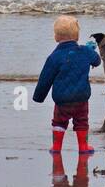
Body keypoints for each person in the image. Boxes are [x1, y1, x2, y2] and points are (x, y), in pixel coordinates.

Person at [32, 14, 100, 157]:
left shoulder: (54, 57)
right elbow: (97, 61)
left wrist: (38, 97)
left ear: (56, 37)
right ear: (77, 36)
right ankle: (83, 147)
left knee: (59, 121)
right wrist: (91, 51)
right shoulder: (85, 52)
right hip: (81, 98)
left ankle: (56, 147)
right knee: (82, 122)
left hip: (62, 100)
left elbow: (45, 78)